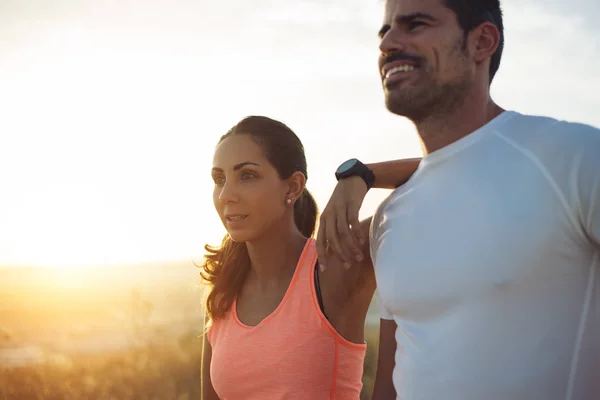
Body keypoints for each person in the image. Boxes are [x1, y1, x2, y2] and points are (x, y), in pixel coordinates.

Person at [317, 0, 600, 399]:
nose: (389, 44)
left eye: (415, 24)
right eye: (385, 32)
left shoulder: (575, 159)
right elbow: (391, 384)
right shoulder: (391, 215)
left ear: (482, 41)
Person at [199, 115, 419, 400]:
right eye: (219, 180)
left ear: (292, 187)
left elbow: (451, 173)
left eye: (247, 176)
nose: (226, 194)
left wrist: (362, 176)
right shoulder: (223, 290)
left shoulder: (334, 264)